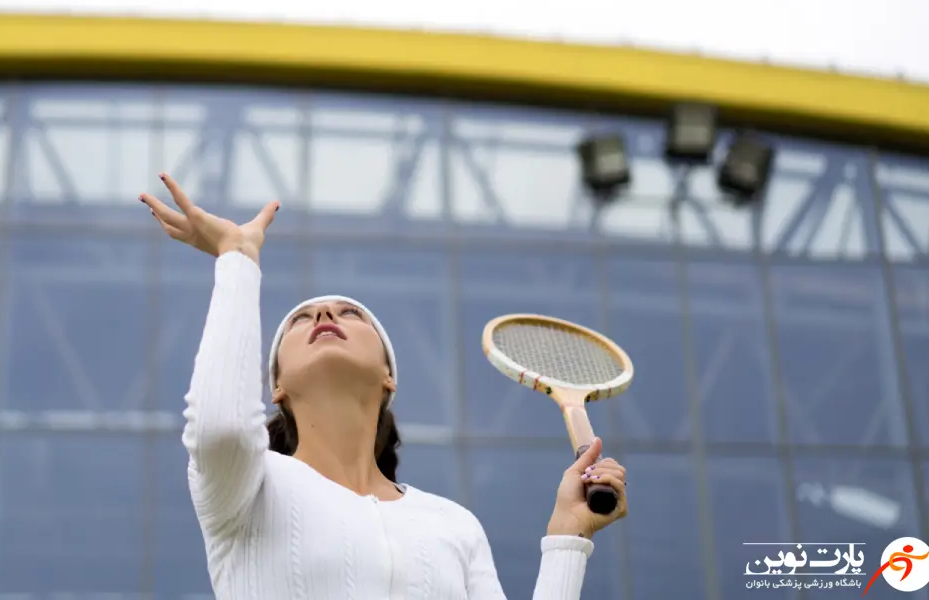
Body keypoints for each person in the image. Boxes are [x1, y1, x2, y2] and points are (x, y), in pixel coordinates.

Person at [141, 173, 628, 599]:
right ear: (277, 387)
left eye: (350, 313)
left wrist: (568, 536)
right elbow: (221, 426)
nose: (326, 315)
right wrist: (238, 258)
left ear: (388, 376)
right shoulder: (247, 486)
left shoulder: (454, 525)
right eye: (301, 320)